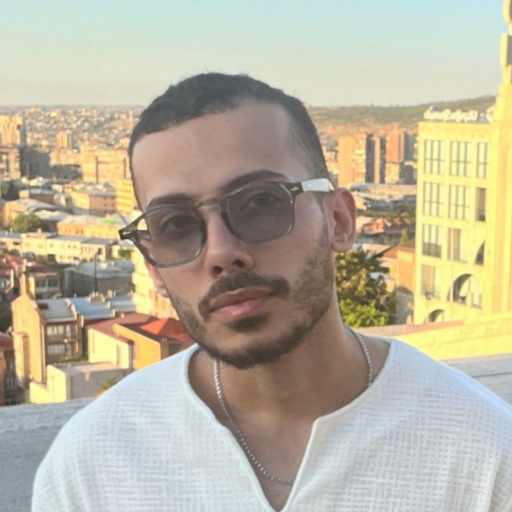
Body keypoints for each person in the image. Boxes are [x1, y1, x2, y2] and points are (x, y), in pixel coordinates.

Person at [32, 73, 512, 512]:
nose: (221, 252)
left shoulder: (485, 455)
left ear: (339, 221)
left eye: (261, 202)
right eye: (175, 225)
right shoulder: (93, 465)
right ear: (152, 265)